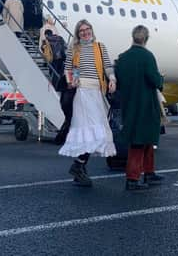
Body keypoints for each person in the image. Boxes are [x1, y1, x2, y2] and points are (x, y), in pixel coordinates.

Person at [58, 19, 116, 186]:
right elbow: (68, 68)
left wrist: (112, 79)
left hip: (97, 92)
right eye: (81, 30)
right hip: (82, 92)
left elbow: (107, 66)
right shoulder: (74, 49)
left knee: (98, 132)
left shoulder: (100, 47)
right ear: (78, 34)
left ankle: (79, 166)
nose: (85, 32)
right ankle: (79, 167)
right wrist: (72, 81)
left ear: (91, 30)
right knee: (89, 131)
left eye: (87, 29)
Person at [114, 25, 165, 190]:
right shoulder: (147, 56)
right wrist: (161, 79)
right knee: (140, 140)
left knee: (145, 138)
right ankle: (133, 178)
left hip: (129, 103)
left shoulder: (123, 58)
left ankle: (149, 173)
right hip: (146, 104)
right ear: (146, 39)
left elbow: (119, 82)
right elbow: (155, 80)